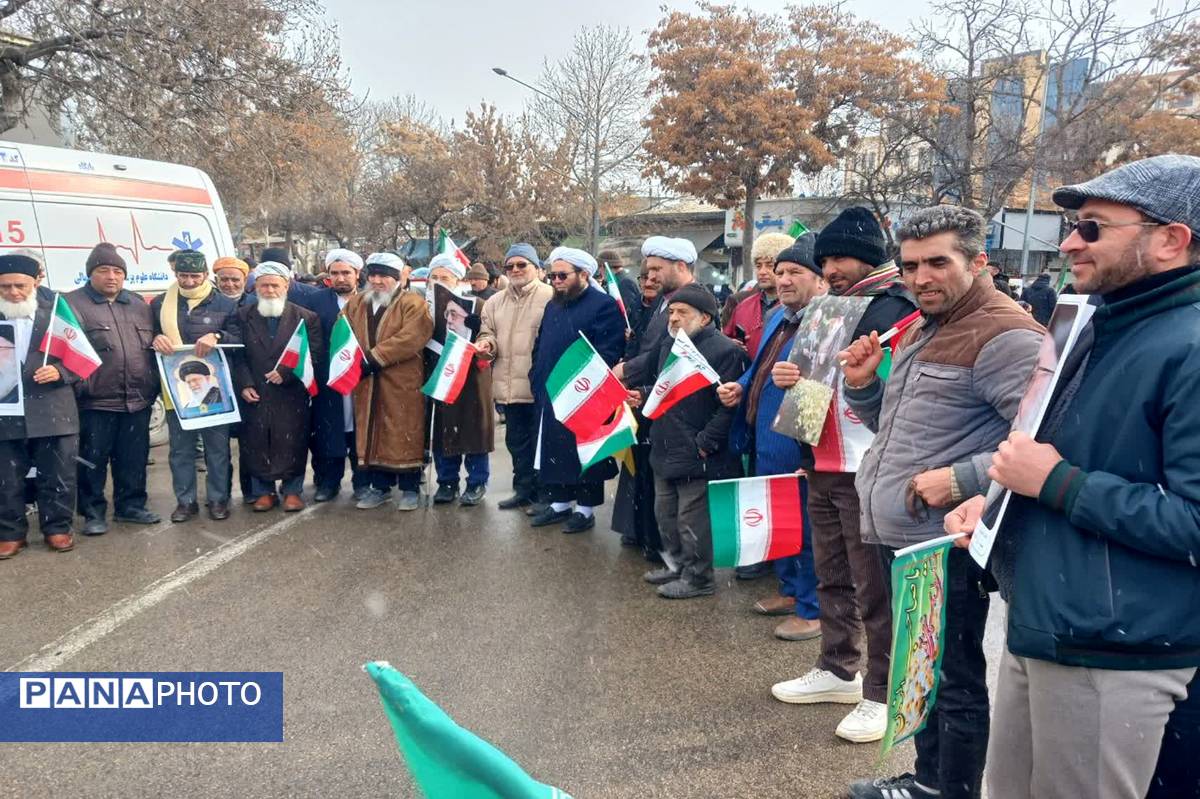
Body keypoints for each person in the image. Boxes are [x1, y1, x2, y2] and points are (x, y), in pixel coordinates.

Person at [942, 154, 1200, 799]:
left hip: (1117, 647)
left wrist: (1055, 484)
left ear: (1171, 239)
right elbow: (1045, 456)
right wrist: (996, 511)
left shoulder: (1189, 344)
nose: (1068, 241)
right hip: (1047, 619)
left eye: (1092, 226)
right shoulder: (1086, 325)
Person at [839, 205, 1043, 799]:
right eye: (909, 266)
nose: (921, 277)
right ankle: (928, 779)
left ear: (979, 262)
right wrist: (865, 385)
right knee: (921, 667)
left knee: (952, 674)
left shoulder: (1006, 334)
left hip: (945, 539)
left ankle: (948, 790)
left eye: (937, 263)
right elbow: (901, 429)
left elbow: (1044, 436)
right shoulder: (926, 325)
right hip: (903, 533)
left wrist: (961, 478)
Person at [768, 207, 916, 743]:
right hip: (824, 459)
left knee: (874, 584)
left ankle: (881, 691)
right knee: (832, 572)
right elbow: (814, 381)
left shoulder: (899, 306)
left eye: (840, 257)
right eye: (825, 258)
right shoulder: (829, 307)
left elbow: (901, 388)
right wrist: (792, 378)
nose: (829, 267)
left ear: (869, 256)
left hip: (869, 464)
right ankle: (837, 669)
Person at [717, 238, 825, 641]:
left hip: (797, 443)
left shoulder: (825, 323)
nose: (783, 279)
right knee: (781, 522)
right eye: (779, 272)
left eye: (795, 272)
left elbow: (824, 386)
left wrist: (811, 451)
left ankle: (814, 609)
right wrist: (740, 387)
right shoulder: (780, 316)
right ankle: (790, 591)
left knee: (808, 529)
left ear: (820, 281)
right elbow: (761, 368)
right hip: (765, 439)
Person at [640, 284, 748, 598]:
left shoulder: (724, 351)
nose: (672, 318)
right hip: (664, 443)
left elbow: (727, 408)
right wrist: (644, 396)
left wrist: (705, 443)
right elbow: (665, 388)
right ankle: (676, 565)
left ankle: (700, 578)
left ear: (704, 317)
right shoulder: (668, 344)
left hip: (697, 452)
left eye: (681, 312)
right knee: (666, 514)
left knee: (692, 520)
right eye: (671, 311)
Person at [66, 243, 161, 536]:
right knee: (92, 460)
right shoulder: (71, 304)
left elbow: (155, 341)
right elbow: (65, 350)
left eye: (118, 271)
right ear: (90, 274)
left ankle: (130, 506)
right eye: (103, 270)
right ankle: (93, 512)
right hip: (95, 400)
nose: (111, 276)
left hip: (137, 399)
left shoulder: (137, 305)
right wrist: (83, 387)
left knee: (133, 457)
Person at [528, 247, 625, 532]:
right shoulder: (553, 304)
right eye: (552, 275)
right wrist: (536, 374)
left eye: (562, 275)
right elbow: (541, 342)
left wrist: (583, 381)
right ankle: (559, 503)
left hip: (584, 392)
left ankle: (585, 510)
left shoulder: (602, 304)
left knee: (584, 453)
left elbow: (610, 348)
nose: (556, 280)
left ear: (584, 274)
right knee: (554, 448)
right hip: (550, 389)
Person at [151, 250, 241, 523]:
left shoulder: (225, 304)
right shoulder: (159, 304)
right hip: (177, 391)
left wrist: (217, 335)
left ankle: (218, 499)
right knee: (181, 450)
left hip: (216, 390)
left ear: (205, 275)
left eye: (194, 276)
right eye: (183, 275)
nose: (189, 281)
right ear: (175, 274)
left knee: (217, 449)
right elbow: (145, 334)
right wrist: (156, 338)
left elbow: (238, 336)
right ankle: (186, 501)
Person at [0, 254, 80, 559]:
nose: (13, 293)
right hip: (5, 409)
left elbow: (84, 353)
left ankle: (57, 528)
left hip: (52, 405)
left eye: (19, 285)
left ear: (35, 281)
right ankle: (10, 533)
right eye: (5, 287)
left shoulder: (58, 311)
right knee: (6, 476)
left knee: (57, 473)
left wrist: (61, 372)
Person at [344, 251, 432, 511]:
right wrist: (350, 359)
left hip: (402, 382)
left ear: (396, 279)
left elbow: (413, 336)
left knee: (404, 433)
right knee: (373, 433)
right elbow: (343, 331)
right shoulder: (356, 303)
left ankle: (409, 489)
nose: (377, 281)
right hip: (367, 382)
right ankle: (379, 488)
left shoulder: (412, 303)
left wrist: (376, 356)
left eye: (384, 276)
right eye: (373, 275)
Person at [233, 263, 324, 512]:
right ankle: (264, 491)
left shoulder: (306, 317)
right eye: (264, 285)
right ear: (255, 287)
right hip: (256, 391)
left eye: (275, 285)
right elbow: (237, 356)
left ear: (286, 286)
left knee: (293, 440)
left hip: (291, 392)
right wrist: (245, 384)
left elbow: (314, 354)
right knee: (257, 440)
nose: (270, 290)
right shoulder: (243, 315)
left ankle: (292, 490)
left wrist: (286, 373)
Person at [475, 243, 553, 510]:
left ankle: (546, 495)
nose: (516, 270)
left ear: (536, 268)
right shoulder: (495, 302)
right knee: (517, 443)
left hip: (540, 388)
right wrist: (487, 345)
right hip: (508, 387)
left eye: (522, 264)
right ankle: (523, 490)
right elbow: (487, 333)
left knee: (541, 444)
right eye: (511, 266)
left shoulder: (551, 297)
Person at [426, 252, 493, 507]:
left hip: (472, 379)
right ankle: (447, 481)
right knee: (444, 433)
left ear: (456, 280)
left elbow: (490, 338)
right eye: (435, 277)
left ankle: (476, 482)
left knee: (473, 431)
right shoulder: (423, 307)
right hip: (438, 376)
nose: (440, 282)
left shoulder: (478, 304)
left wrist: (478, 330)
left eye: (445, 277)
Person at [309, 248, 368, 503]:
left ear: (357, 274)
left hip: (362, 377)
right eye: (335, 273)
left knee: (360, 429)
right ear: (328, 276)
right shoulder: (315, 302)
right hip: (327, 379)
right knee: (329, 430)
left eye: (346, 273)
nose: (341, 278)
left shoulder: (371, 301)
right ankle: (329, 482)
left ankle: (362, 481)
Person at [723, 231, 794, 354]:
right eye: (758, 265)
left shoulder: (796, 306)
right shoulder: (743, 306)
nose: (762, 271)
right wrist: (731, 345)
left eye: (769, 265)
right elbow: (726, 338)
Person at [597, 247, 639, 316]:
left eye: (599, 267)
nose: (599, 271)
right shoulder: (617, 280)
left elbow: (629, 311)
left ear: (603, 266)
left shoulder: (625, 282)